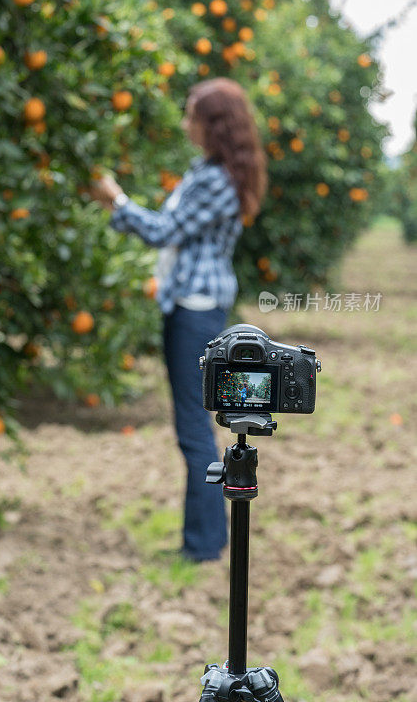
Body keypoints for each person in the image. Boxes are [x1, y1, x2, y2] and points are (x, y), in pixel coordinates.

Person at [90, 77, 267, 562]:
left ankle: (204, 545)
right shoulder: (210, 171)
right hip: (190, 307)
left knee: (194, 430)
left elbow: (165, 231)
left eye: (191, 114)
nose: (184, 122)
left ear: (212, 124)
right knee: (194, 427)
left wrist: (117, 201)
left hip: (195, 313)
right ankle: (207, 539)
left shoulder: (216, 182)